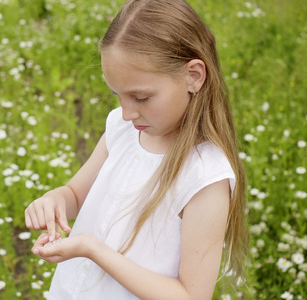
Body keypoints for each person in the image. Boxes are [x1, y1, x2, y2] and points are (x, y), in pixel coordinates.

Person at [24, 0, 249, 298]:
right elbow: (76, 194)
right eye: (117, 95)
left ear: (193, 76)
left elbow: (191, 295)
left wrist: (93, 250)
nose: (127, 112)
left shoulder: (204, 177)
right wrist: (54, 200)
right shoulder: (122, 128)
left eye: (141, 98)